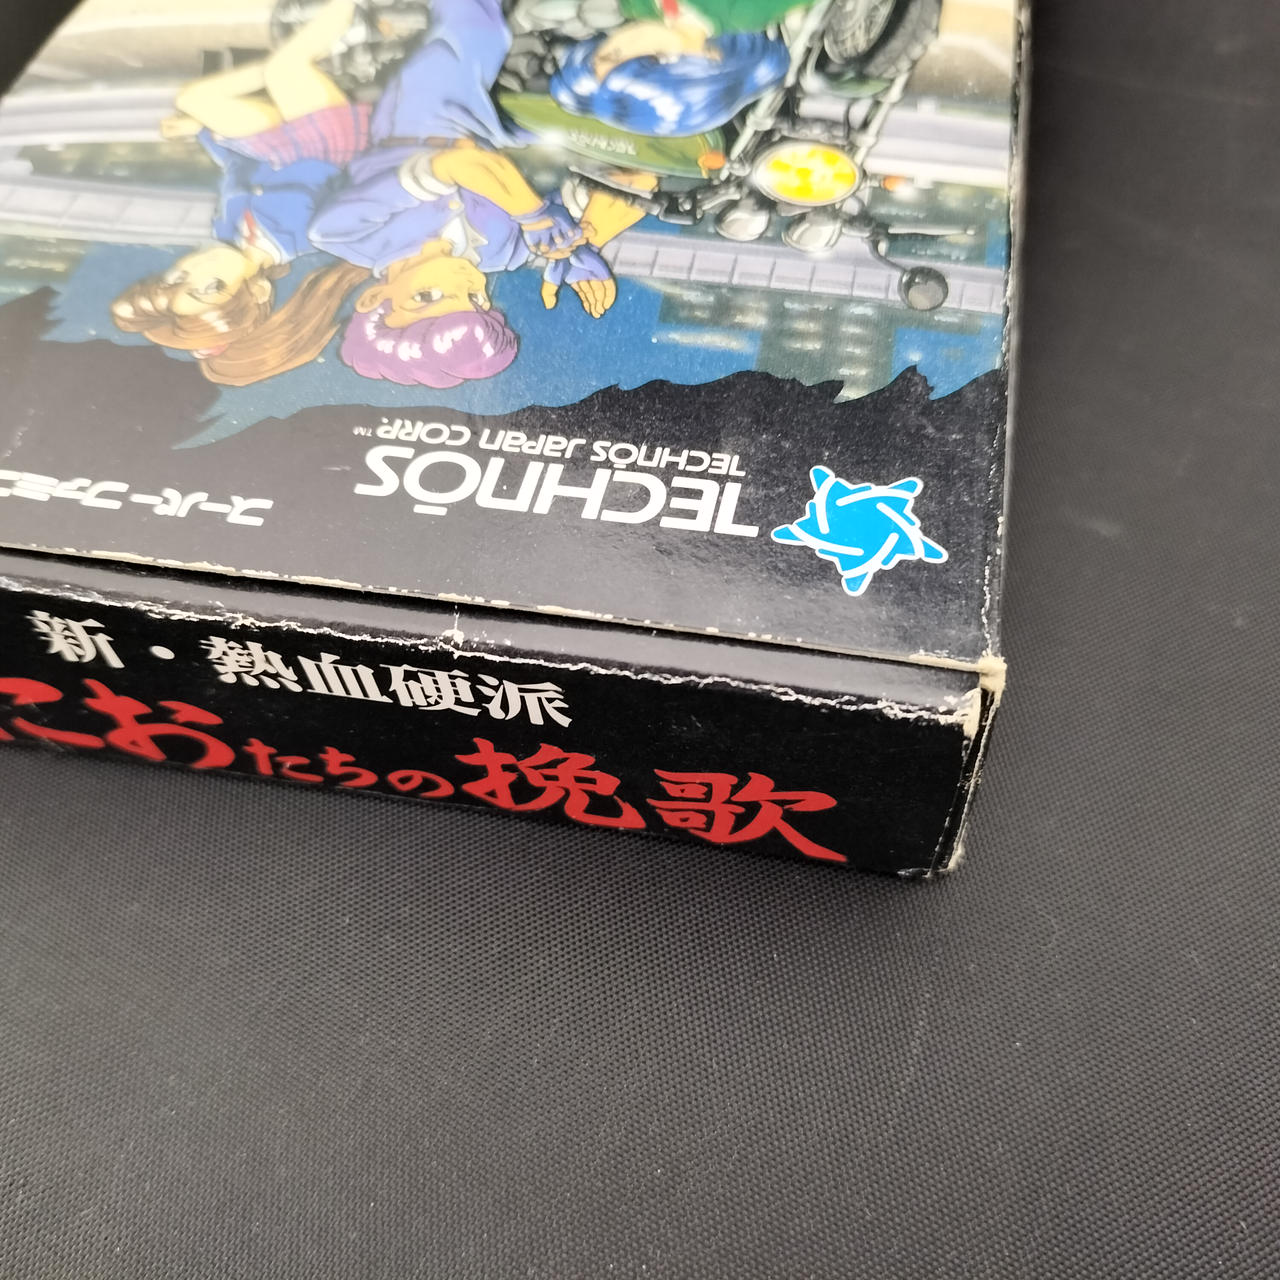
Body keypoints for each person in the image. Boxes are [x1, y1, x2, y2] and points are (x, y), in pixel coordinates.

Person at [309, 0, 634, 388]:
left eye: (429, 296)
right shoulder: (499, 254)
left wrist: (535, 216)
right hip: (508, 134)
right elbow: (629, 186)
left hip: (429, 114)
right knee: (622, 132)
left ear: (374, 298)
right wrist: (584, 241)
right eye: (477, 301)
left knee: (476, 33)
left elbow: (461, 163)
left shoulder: (345, 233)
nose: (463, 284)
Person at [110, 0, 374, 386]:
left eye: (178, 275)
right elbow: (349, 184)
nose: (197, 267)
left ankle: (308, 51)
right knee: (283, 70)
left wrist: (204, 133)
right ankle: (346, 12)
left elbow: (237, 171)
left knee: (195, 101)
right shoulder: (304, 235)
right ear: (259, 290)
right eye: (211, 287)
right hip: (328, 145)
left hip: (273, 144)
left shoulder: (228, 230)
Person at [548, 0, 795, 138]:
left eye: (611, 53)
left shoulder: (637, 5)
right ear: (707, 61)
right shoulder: (747, 10)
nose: (632, 43)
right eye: (654, 59)